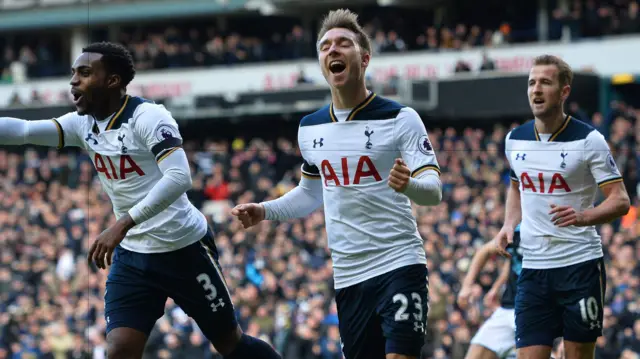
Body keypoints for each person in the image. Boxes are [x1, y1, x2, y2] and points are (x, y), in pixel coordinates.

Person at [0, 42, 282, 359]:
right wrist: (124, 231)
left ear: (113, 80)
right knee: (119, 350)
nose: (73, 81)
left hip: (184, 249)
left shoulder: (147, 117)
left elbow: (179, 177)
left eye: (84, 72)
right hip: (133, 257)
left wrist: (121, 224)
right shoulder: (83, 125)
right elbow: (23, 130)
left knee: (230, 343)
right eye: (73, 73)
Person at [231, 9, 442, 359]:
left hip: (398, 263)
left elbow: (433, 190)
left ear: (365, 57)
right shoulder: (310, 129)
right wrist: (264, 211)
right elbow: (312, 193)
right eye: (325, 46)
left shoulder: (399, 118)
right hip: (348, 276)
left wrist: (409, 186)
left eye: (344, 43)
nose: (333, 50)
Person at [493, 55, 630, 359]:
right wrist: (507, 224)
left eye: (545, 82)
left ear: (564, 91)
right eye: (531, 82)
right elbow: (516, 187)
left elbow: (620, 200)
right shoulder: (515, 139)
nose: (536, 89)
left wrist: (583, 216)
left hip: (579, 266)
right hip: (533, 269)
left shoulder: (589, 140)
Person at [458, 225, 523, 359]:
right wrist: (468, 286)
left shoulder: (550, 228)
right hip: (509, 307)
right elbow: (487, 251)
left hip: (537, 309)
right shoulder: (517, 229)